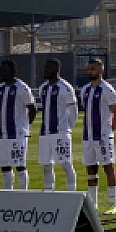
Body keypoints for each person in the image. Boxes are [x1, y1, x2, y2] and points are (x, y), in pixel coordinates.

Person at [80, 58, 116, 214]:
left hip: (103, 137)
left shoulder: (107, 90)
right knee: (91, 170)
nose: (90, 71)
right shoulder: (85, 89)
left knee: (108, 168)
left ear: (101, 70)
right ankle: (93, 204)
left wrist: (110, 131)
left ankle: (112, 204)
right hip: (88, 137)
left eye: (93, 68)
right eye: (89, 68)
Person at [35, 58, 79, 192]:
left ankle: (71, 194)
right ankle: (49, 192)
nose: (45, 70)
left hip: (60, 133)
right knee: (46, 166)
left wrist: (67, 128)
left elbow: (73, 111)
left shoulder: (65, 88)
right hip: (45, 133)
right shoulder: (43, 88)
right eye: (45, 68)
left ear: (56, 70)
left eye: (48, 68)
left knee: (66, 164)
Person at [0, 60, 36, 190]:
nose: (2, 73)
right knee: (5, 166)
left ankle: (23, 194)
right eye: (1, 70)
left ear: (13, 71)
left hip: (17, 134)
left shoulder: (22, 88)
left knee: (20, 166)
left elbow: (32, 109)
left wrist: (25, 127)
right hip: (2, 134)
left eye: (5, 70)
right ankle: (8, 193)